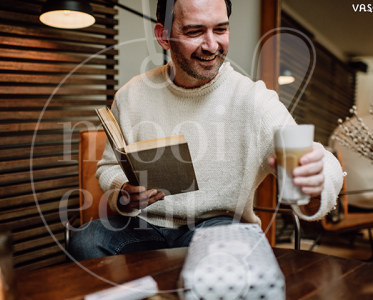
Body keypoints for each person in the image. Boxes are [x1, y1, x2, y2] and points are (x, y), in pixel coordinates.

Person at [70, 0, 343, 261]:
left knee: (227, 247)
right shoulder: (131, 95)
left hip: (217, 226)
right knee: (85, 239)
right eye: (195, 31)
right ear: (163, 36)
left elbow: (322, 160)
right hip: (143, 227)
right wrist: (124, 192)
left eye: (221, 29)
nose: (212, 45)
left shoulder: (253, 100)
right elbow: (108, 167)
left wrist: (317, 178)